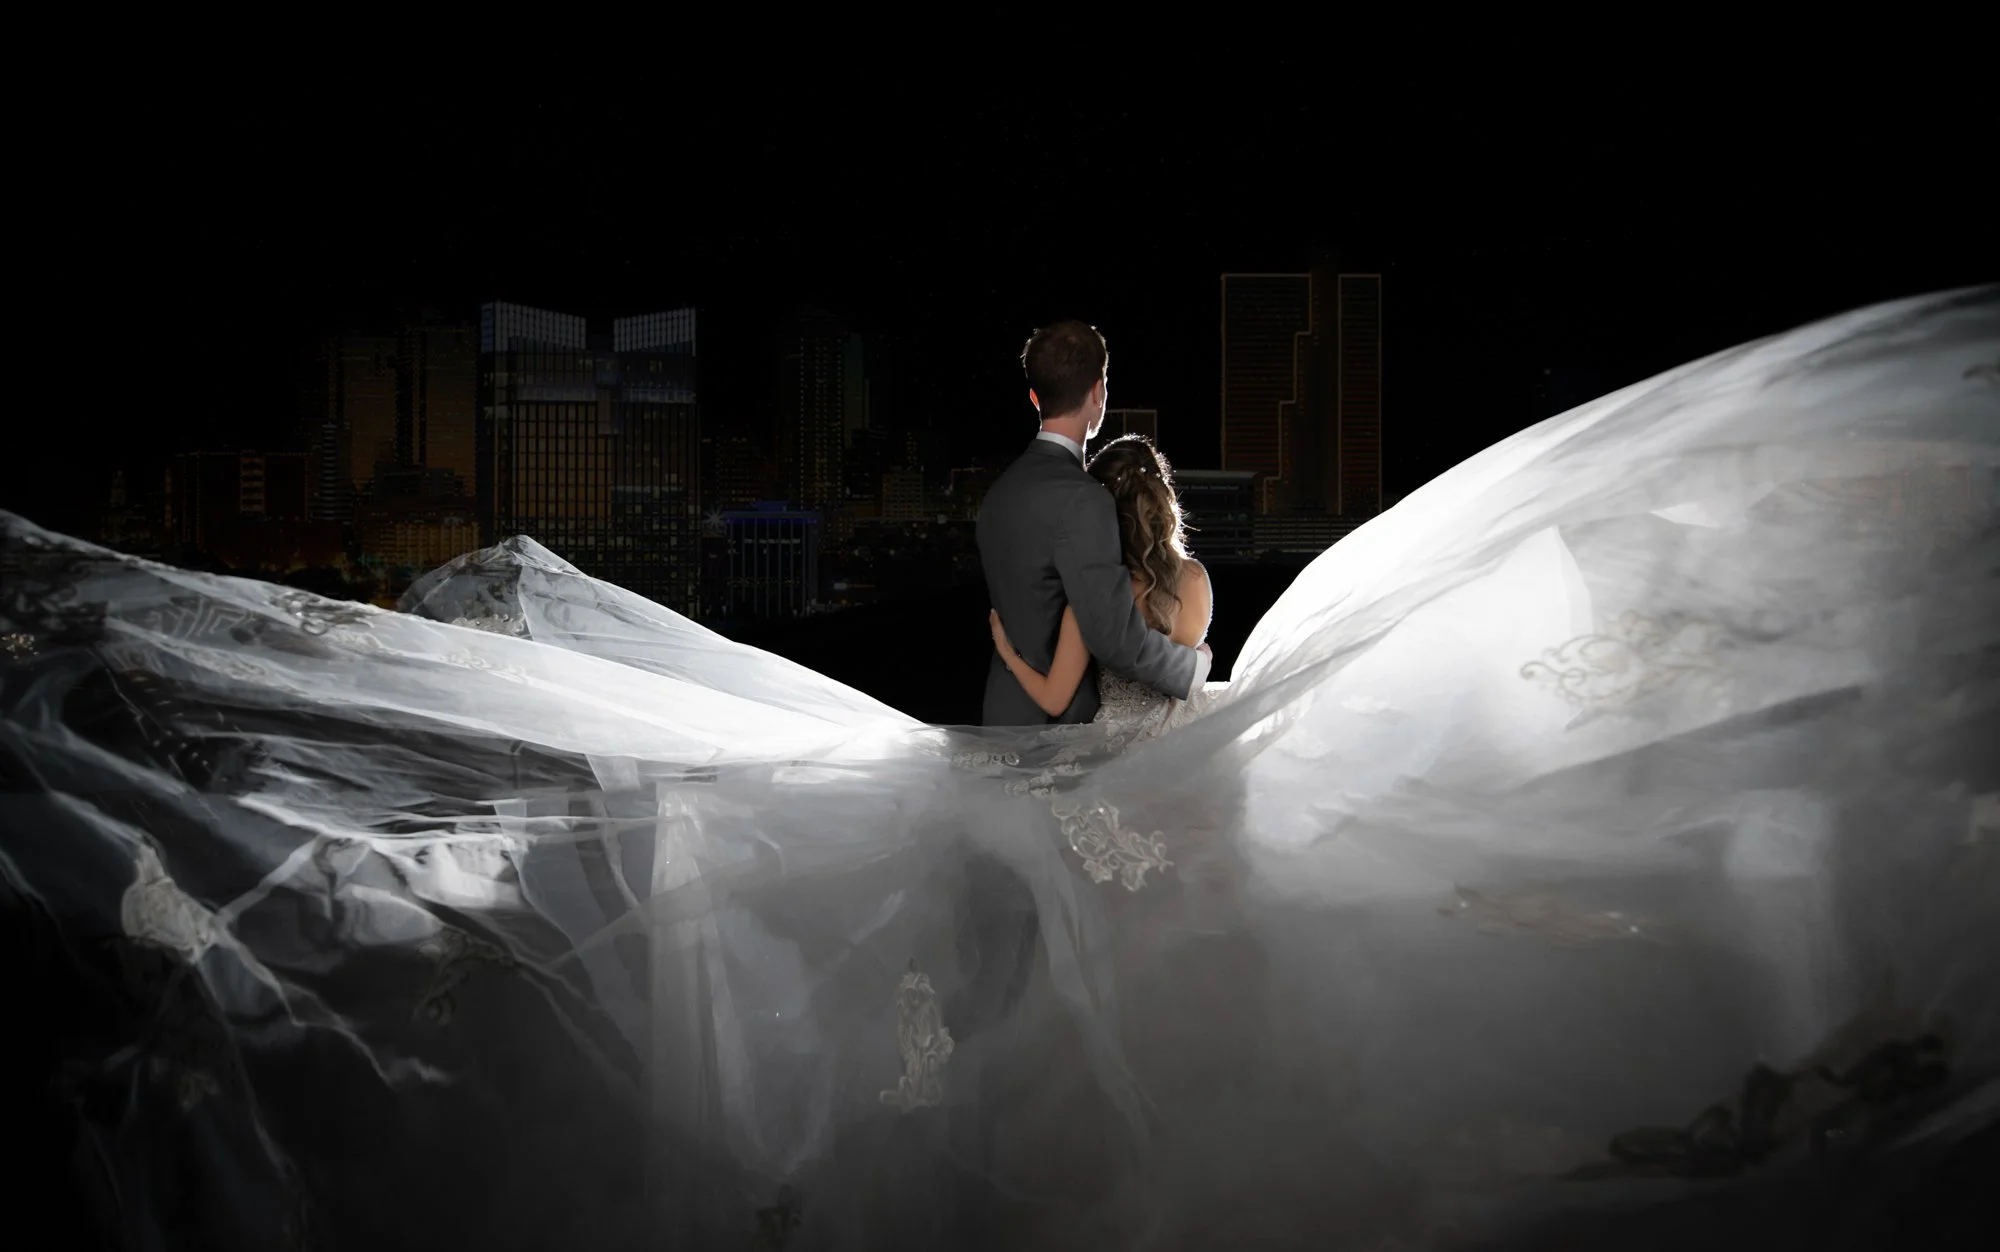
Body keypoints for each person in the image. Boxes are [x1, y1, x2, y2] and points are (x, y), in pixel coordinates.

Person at [6, 287, 1997, 1251]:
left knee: (991, 985)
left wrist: (1052, 687)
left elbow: (1038, 672)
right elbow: (1158, 666)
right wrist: (1143, 668)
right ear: (1117, 420)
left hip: (1042, 765)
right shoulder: (1193, 577)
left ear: (1042, 426)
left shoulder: (997, 509)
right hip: (1152, 779)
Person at [974, 321, 1210, 728]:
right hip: (1064, 733)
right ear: (1099, 390)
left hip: (1003, 715)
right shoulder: (1086, 499)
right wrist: (1192, 668)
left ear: (1035, 398)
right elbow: (1114, 638)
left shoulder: (998, 494)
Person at [988, 433, 1221, 743]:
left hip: (1118, 751)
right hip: (1191, 742)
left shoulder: (1096, 599)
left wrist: (1008, 652)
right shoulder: (1197, 578)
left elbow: (1054, 699)